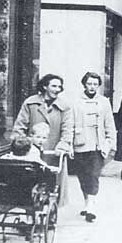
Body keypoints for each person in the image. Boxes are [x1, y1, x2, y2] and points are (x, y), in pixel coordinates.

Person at [13, 73, 73, 206]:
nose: (57, 89)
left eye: (59, 86)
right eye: (54, 86)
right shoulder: (30, 103)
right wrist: (21, 144)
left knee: (52, 183)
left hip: (53, 152)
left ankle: (51, 213)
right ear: (45, 86)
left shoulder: (65, 107)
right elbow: (20, 126)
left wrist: (63, 145)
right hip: (31, 150)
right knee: (29, 182)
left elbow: (68, 129)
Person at [72, 72, 116, 222]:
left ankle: (91, 205)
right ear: (84, 84)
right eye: (89, 84)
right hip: (80, 143)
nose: (92, 87)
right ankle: (86, 202)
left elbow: (109, 123)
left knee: (93, 174)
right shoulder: (75, 101)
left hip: (98, 144)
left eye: (95, 84)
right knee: (82, 175)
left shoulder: (104, 102)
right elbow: (69, 123)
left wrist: (110, 142)